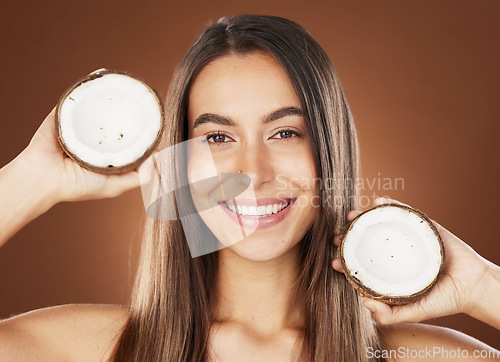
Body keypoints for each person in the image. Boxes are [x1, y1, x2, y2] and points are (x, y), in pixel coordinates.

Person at [0, 14, 498, 362]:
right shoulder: (90, 350)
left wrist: (481, 287)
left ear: (330, 152)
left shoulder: (421, 356)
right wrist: (35, 179)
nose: (253, 172)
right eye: (217, 137)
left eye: (285, 133)